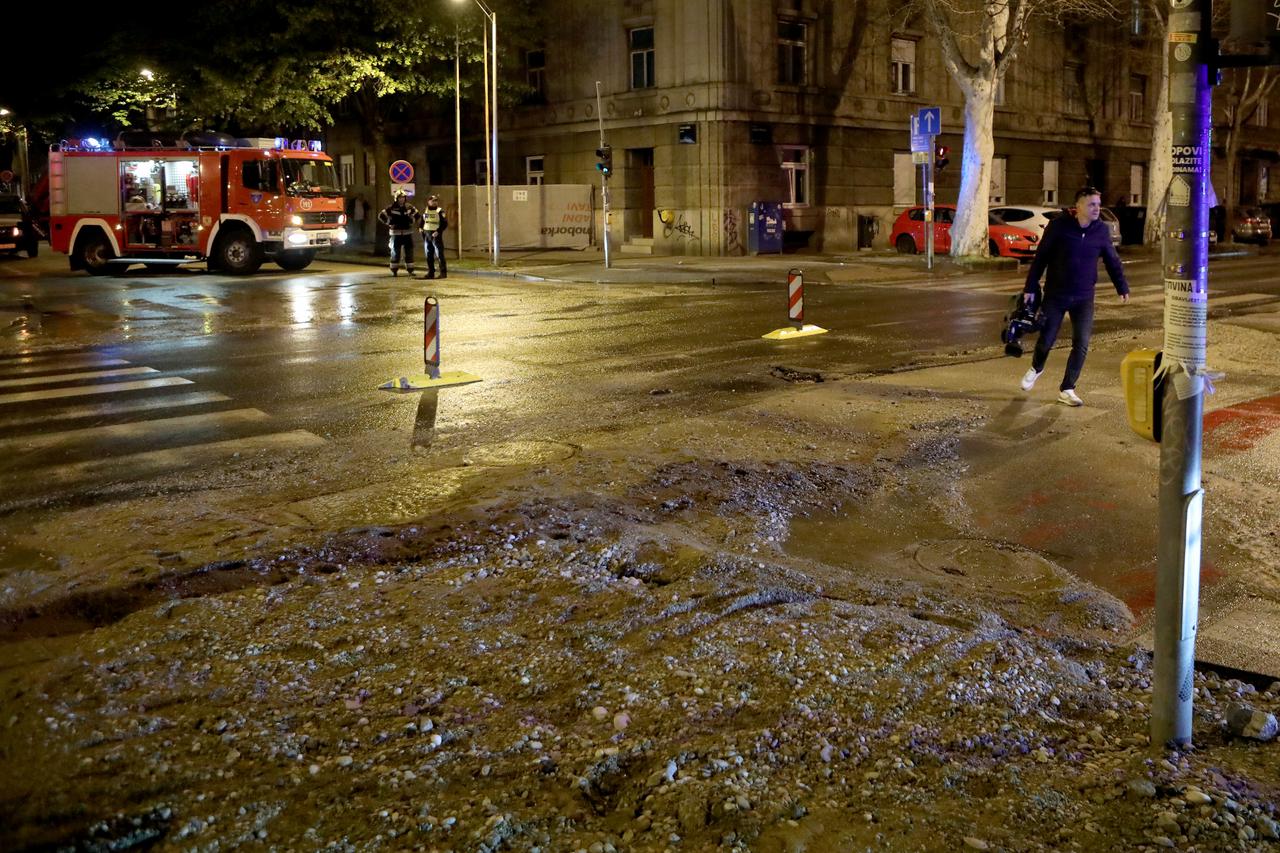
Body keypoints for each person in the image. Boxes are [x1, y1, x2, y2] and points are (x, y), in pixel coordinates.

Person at [1019, 186, 1129, 406]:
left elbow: (1112, 260)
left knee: (1082, 343)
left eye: (1099, 204)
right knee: (1046, 340)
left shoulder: (1100, 231)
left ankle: (1067, 388)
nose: (1097, 208)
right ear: (1078, 206)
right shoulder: (1059, 226)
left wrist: (1122, 286)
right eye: (1092, 204)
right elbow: (1041, 257)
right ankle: (1037, 367)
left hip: (1084, 297)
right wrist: (1030, 288)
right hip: (1056, 294)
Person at [378, 191, 419, 276]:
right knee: (395, 252)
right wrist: (389, 222)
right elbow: (381, 216)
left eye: (403, 198)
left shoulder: (409, 207)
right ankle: (394, 270)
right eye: (400, 198)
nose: (402, 199)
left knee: (409, 252)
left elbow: (417, 214)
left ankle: (410, 270)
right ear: (396, 198)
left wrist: (412, 221)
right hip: (395, 234)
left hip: (407, 233)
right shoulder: (391, 208)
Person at [420, 194, 448, 279]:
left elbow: (444, 223)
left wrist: (438, 231)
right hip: (426, 234)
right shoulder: (426, 210)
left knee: (439, 254)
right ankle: (431, 273)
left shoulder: (440, 211)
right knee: (429, 254)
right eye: (433, 201)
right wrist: (420, 227)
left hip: (435, 235)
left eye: (436, 201)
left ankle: (443, 273)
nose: (435, 202)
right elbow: (423, 220)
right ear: (428, 202)